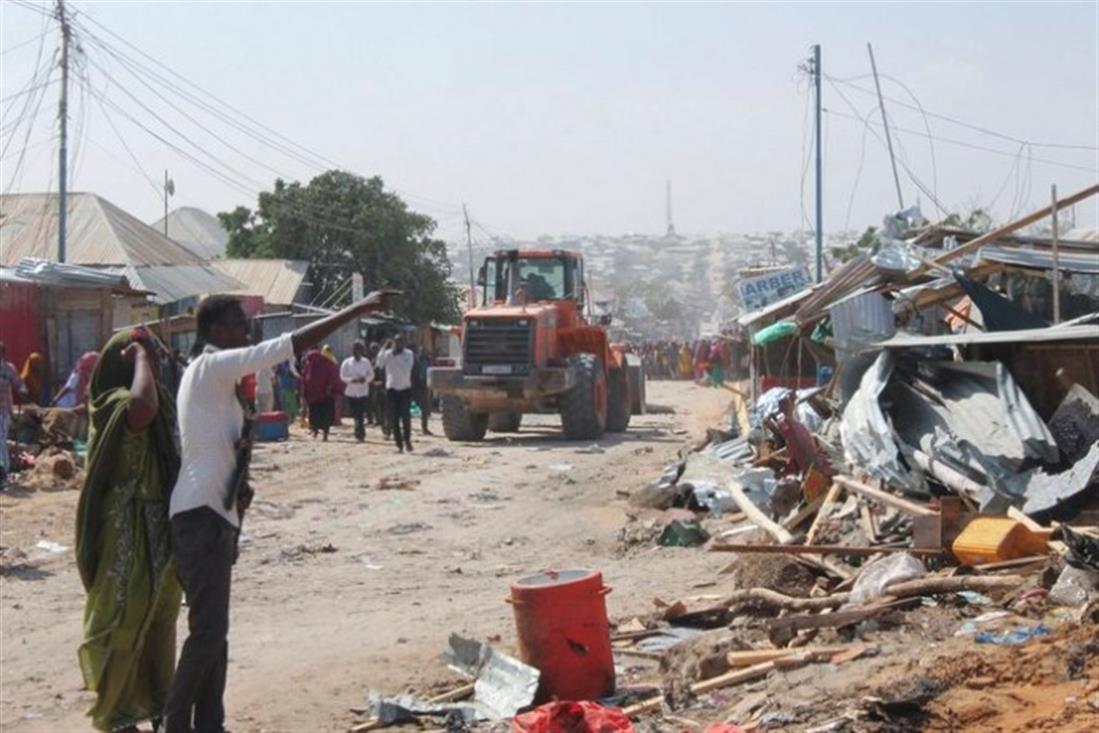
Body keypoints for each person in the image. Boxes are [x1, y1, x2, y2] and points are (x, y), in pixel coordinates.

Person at [163, 290, 396, 733]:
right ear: (215, 330)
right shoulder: (211, 366)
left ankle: (209, 724)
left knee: (215, 633)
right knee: (208, 634)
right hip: (201, 516)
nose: (246, 328)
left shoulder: (214, 383)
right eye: (238, 322)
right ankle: (174, 724)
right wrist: (356, 309)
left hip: (214, 515)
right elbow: (286, 345)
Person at [75, 329, 182, 733]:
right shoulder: (114, 406)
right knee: (122, 619)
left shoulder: (161, 405)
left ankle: (157, 702)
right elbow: (142, 408)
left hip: (158, 533)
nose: (155, 364)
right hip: (124, 533)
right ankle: (119, 713)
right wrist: (140, 356)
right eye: (147, 358)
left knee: (159, 622)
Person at [376, 334, 415, 453]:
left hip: (405, 388)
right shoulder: (388, 353)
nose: (398, 344)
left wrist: (396, 357)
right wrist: (383, 348)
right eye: (396, 342)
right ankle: (399, 444)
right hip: (392, 389)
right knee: (394, 418)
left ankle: (407, 440)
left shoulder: (408, 354)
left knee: (406, 417)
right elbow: (379, 364)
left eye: (401, 342)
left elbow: (407, 368)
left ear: (404, 343)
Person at [0, 341, 28, 487]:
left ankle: (4, 471)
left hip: (3, 410)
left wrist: (22, 390)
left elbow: (19, 383)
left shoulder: (8, 369)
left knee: (0, 440)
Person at [301, 347, 341, 441]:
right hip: (313, 397)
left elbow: (333, 377)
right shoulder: (309, 366)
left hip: (325, 396)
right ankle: (315, 431)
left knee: (325, 416)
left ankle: (325, 434)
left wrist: (329, 388)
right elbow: (304, 379)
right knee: (314, 416)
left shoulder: (327, 364)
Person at [340, 340, 374, 443]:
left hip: (363, 391)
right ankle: (358, 429)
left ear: (361, 350)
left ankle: (360, 433)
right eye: (354, 349)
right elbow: (342, 376)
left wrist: (365, 380)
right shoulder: (347, 362)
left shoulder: (366, 362)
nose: (356, 351)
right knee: (355, 413)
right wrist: (351, 380)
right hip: (351, 391)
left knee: (360, 413)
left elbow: (371, 375)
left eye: (358, 349)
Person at [411, 345, 434, 436]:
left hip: (424, 387)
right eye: (421, 351)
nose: (423, 353)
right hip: (414, 386)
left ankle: (424, 428)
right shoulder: (414, 360)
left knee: (424, 409)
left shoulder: (428, 361)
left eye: (424, 351)